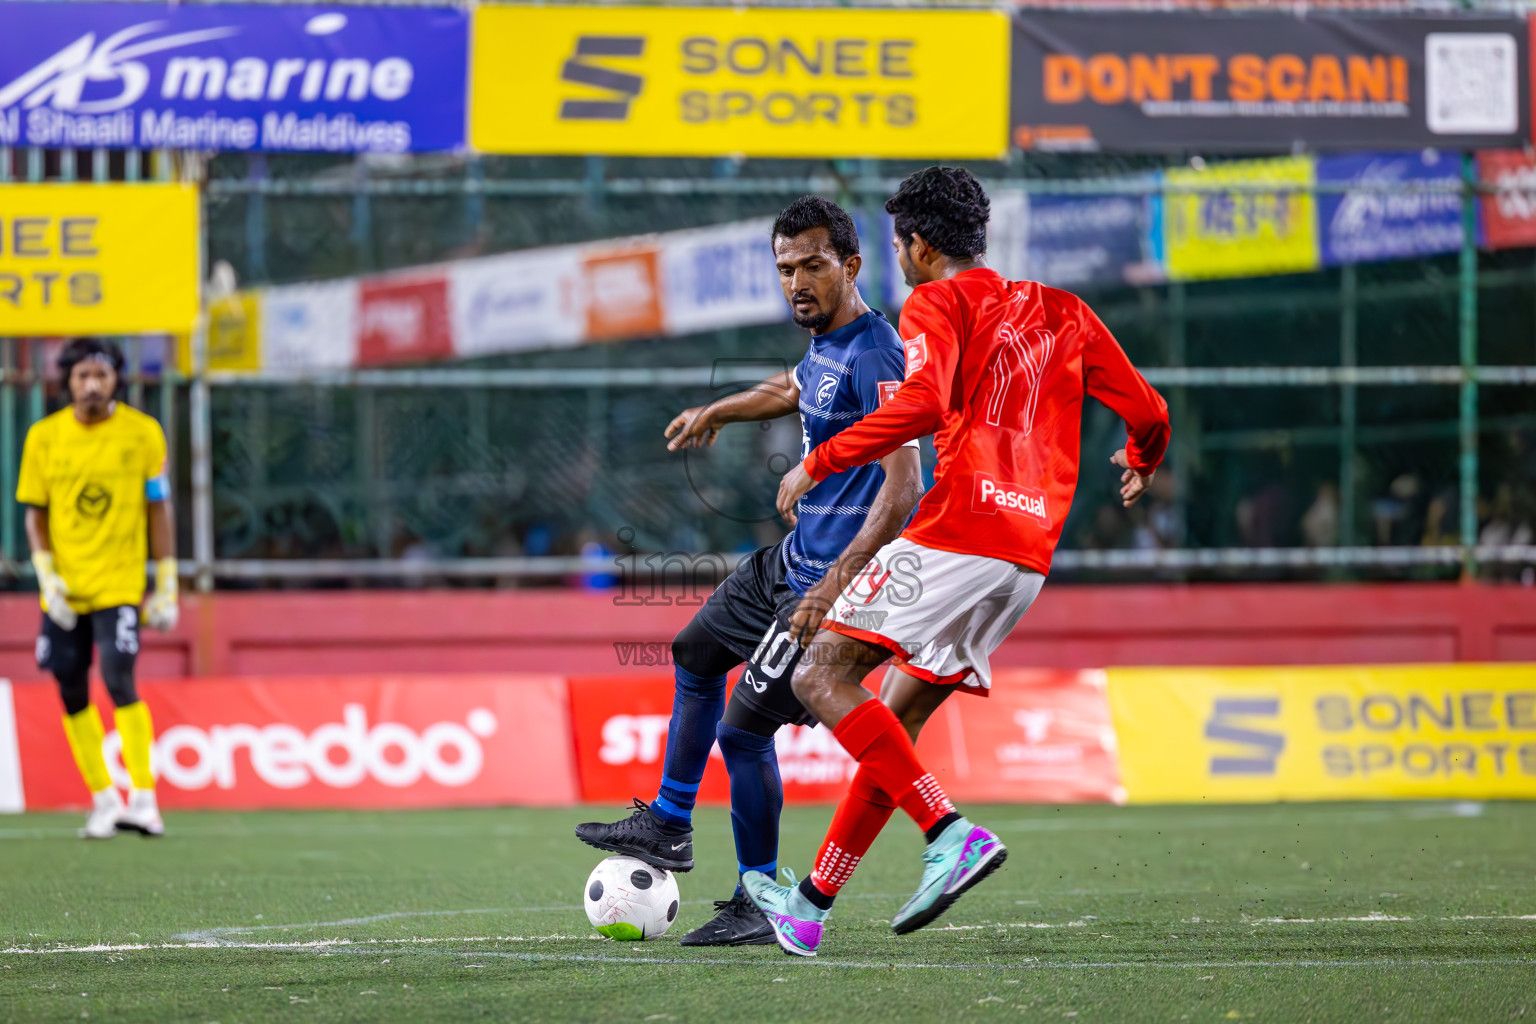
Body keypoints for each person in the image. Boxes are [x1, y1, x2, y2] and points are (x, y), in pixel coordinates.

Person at [743, 166, 1171, 956]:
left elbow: (924, 404)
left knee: (819, 676)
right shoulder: (1065, 310)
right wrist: (1143, 456)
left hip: (957, 532)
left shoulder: (936, 301)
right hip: (1027, 558)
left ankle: (948, 830)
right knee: (893, 722)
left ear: (919, 244)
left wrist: (820, 460)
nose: (900, 259)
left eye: (900, 244)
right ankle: (810, 903)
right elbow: (1149, 410)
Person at [574, 196, 926, 946]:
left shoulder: (878, 353)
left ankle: (760, 898)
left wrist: (832, 589)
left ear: (851, 265)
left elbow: (905, 489)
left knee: (744, 733)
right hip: (786, 563)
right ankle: (670, 824)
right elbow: (797, 387)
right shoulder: (829, 344)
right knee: (694, 655)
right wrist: (722, 410)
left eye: (812, 265)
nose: (796, 281)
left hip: (827, 583)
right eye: (785, 268)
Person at [17, 339, 179, 840]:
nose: (91, 384)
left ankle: (145, 799)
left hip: (119, 583)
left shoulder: (143, 433)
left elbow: (159, 508)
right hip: (65, 589)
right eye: (82, 375)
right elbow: (35, 513)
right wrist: (47, 576)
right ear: (67, 381)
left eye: (101, 375)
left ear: (116, 380)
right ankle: (104, 799)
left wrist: (167, 583)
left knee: (117, 675)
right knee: (68, 686)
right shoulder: (44, 437)